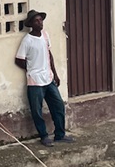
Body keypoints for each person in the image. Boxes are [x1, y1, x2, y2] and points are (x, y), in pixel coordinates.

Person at [15, 9, 75, 147]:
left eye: (41, 19)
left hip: (49, 78)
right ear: (31, 24)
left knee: (58, 106)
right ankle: (44, 135)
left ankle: (60, 134)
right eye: (36, 20)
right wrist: (32, 68)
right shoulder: (27, 40)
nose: (40, 22)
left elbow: (49, 55)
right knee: (37, 110)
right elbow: (19, 60)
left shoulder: (45, 35)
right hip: (35, 81)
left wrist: (55, 73)